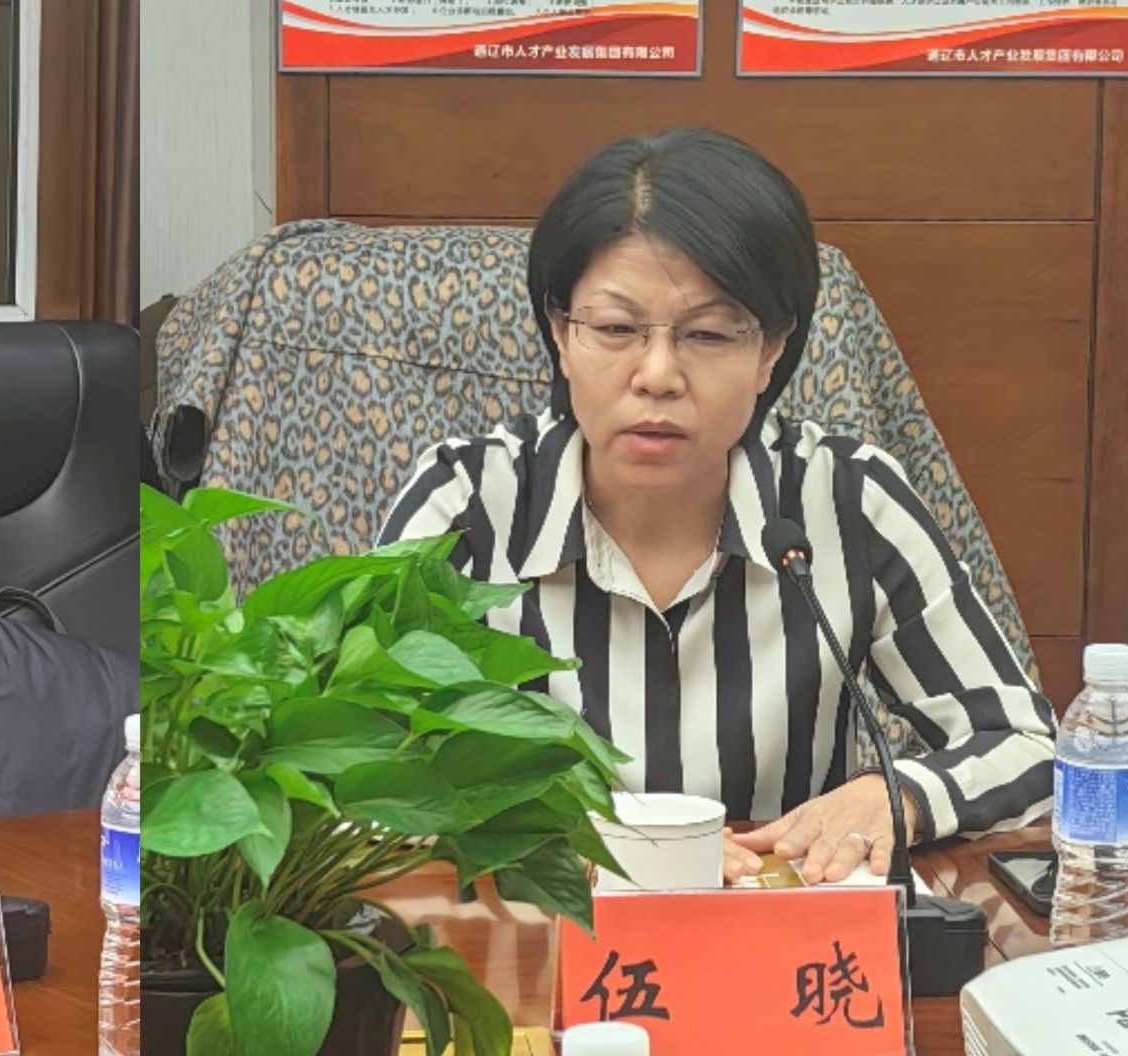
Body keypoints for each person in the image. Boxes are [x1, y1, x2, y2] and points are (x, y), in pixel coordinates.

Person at [379, 128, 1054, 886]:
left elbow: (1026, 742)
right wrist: (552, 829)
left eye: (706, 333)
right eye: (615, 329)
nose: (658, 375)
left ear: (769, 351)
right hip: (539, 932)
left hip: (780, 924)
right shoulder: (468, 505)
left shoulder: (844, 497)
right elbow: (351, 763)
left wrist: (896, 797)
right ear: (561, 335)